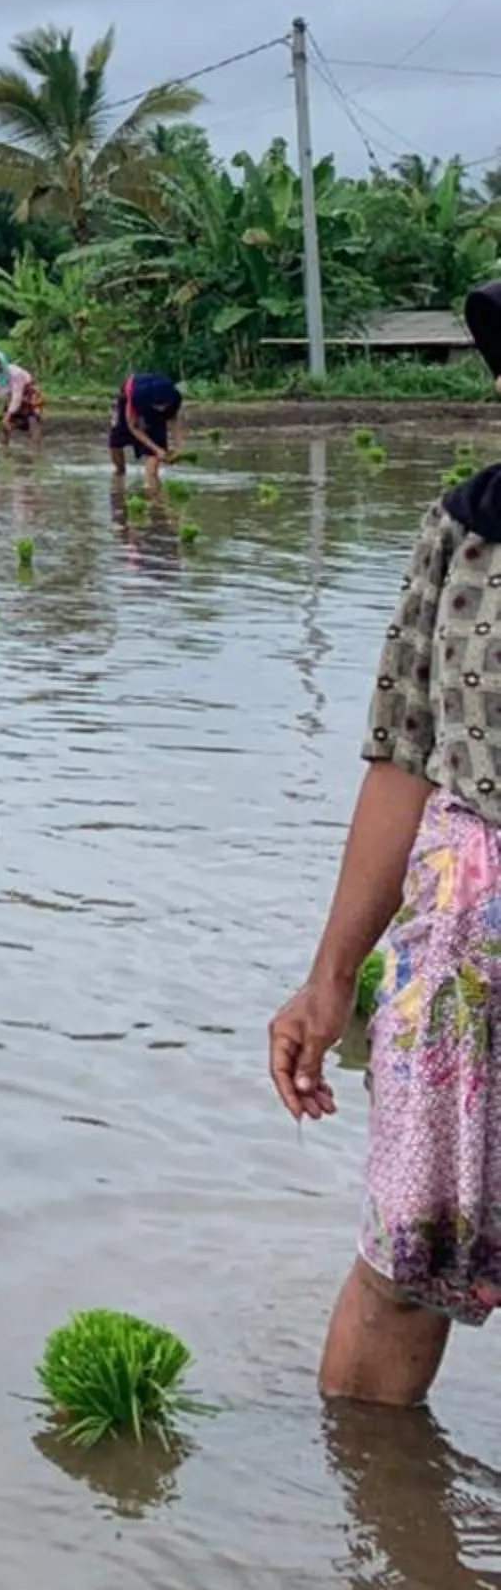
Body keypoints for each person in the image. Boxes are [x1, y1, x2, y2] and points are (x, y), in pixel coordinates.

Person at [267, 280, 501, 1405]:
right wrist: (328, 979)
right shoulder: (462, 532)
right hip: (462, 945)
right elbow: (400, 761)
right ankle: (374, 1551)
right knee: (411, 1250)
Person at [109, 367, 183, 494]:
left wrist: (178, 447)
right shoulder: (137, 396)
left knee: (154, 456)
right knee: (115, 442)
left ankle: (151, 486)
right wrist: (157, 449)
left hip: (150, 402)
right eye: (159, 406)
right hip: (129, 395)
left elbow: (174, 420)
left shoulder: (174, 398)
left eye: (164, 406)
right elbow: (133, 427)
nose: (162, 409)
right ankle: (119, 473)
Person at [0, 347, 44, 451]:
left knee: (32, 420)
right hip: (12, 398)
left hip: (28, 395)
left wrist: (8, 415)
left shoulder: (15, 374)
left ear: (3, 362)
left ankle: (36, 449)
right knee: (4, 425)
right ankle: (3, 447)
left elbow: (17, 396)